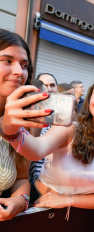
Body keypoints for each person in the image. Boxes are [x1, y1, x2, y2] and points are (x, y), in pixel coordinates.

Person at [1, 75, 94, 212]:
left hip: (81, 212)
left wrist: (68, 199)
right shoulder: (70, 129)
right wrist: (12, 131)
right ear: (90, 99)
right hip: (41, 206)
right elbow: (36, 150)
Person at [0, 28, 32, 220]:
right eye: (7, 61)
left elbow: (21, 178)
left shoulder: (22, 121)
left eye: (25, 65)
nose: (19, 71)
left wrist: (19, 200)